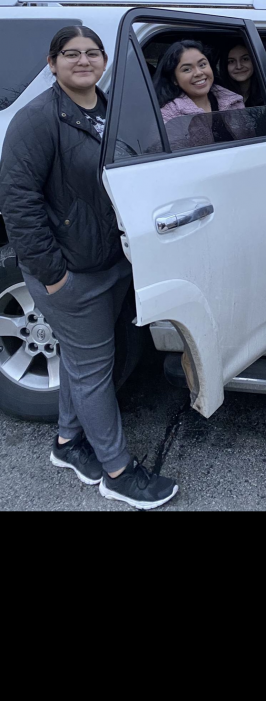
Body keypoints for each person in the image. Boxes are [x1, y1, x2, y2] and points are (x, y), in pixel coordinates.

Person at [0, 26, 179, 509]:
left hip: (111, 261)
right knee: (94, 370)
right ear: (52, 62)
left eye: (92, 53)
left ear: (104, 61)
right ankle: (118, 472)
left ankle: (67, 443)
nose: (83, 61)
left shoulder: (109, 109)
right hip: (72, 273)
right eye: (71, 53)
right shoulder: (37, 120)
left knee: (83, 364)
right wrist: (53, 275)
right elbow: (17, 203)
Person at [153, 39, 252, 148]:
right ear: (174, 79)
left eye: (202, 64)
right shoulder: (168, 115)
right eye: (187, 69)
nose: (199, 73)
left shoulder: (232, 101)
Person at [218, 39, 266, 107]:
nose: (239, 66)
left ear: (254, 61)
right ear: (225, 66)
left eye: (245, 59)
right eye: (231, 61)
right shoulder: (217, 96)